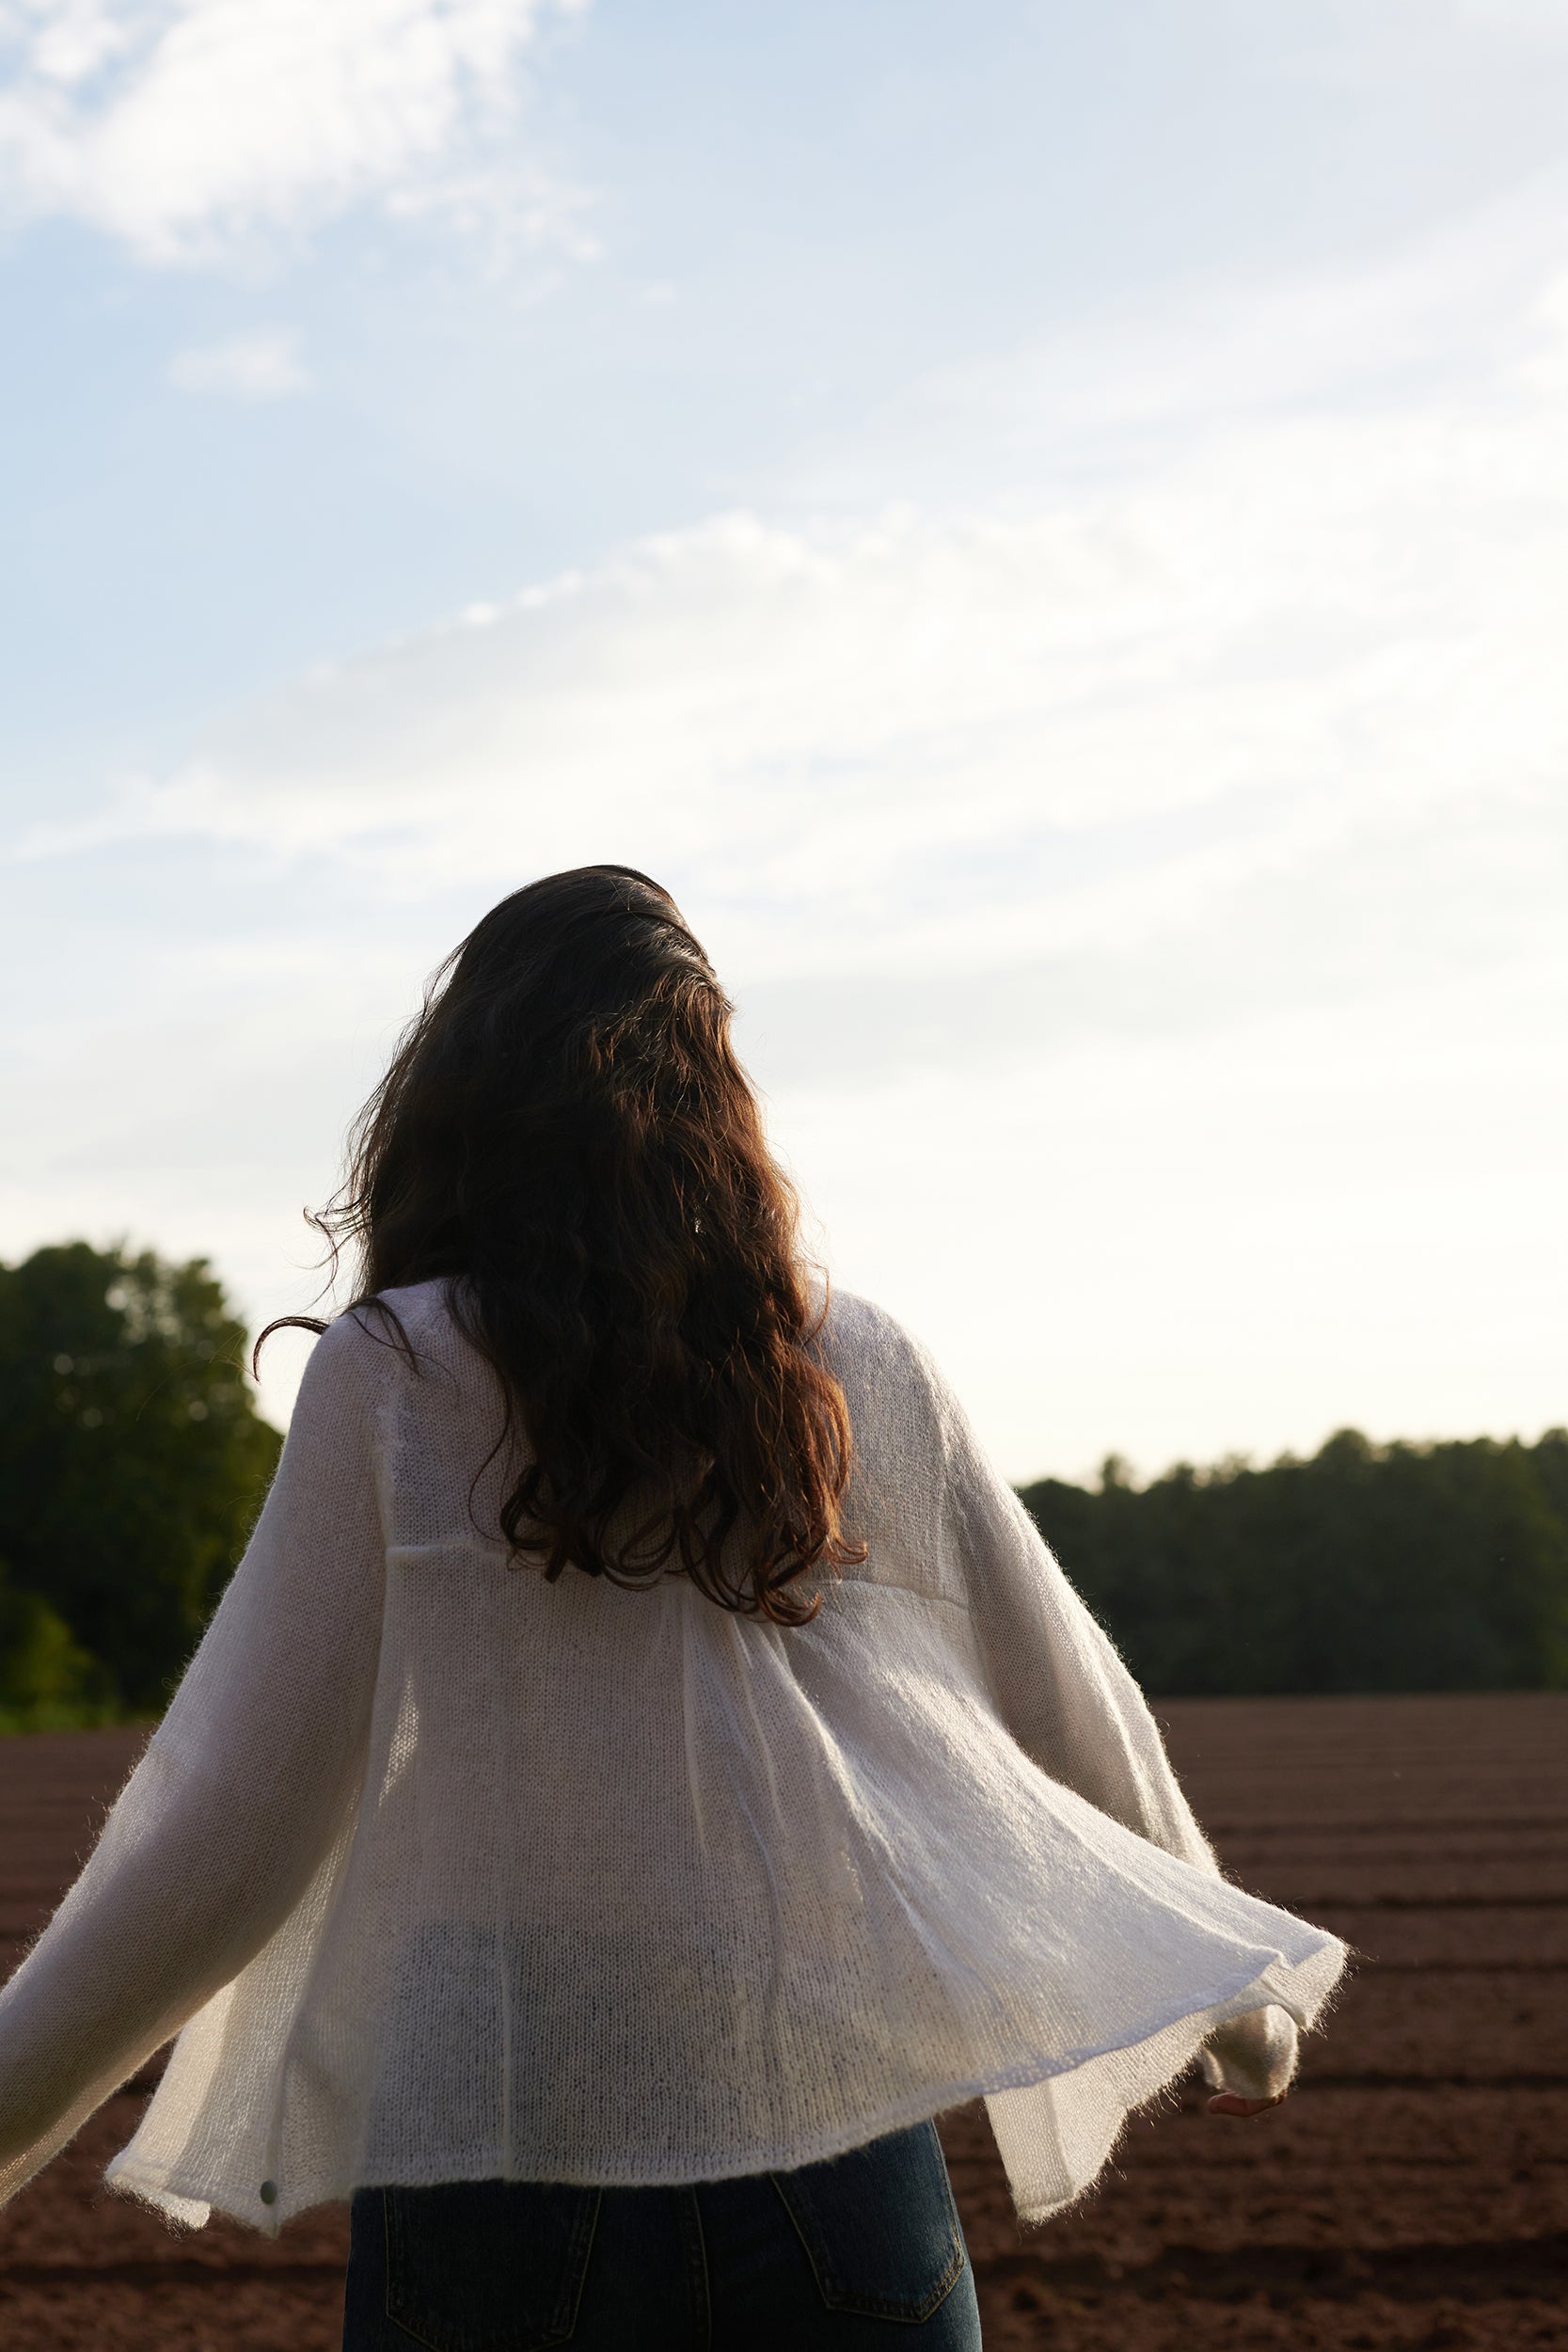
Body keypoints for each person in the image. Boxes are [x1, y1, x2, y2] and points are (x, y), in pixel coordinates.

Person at [0, 866, 1343, 2349]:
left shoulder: (400, 1372)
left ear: (453, 1099)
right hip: (834, 2163)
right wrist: (1248, 2010)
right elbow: (1069, 1711)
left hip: (503, 2162)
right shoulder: (857, 1367)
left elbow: (233, 1830)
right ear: (719, 1095)